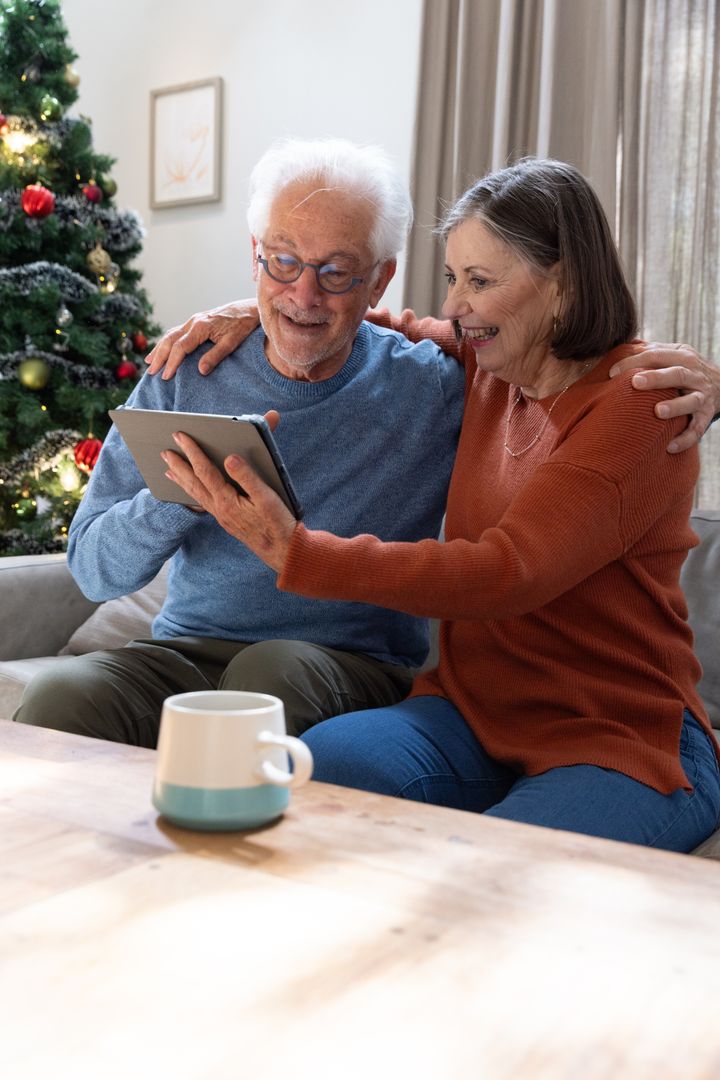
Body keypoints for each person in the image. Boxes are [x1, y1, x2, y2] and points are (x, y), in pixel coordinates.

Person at [160, 158, 720, 852]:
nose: (455, 305)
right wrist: (257, 309)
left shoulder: (640, 402)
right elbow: (357, 313)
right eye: (454, 277)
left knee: (486, 873)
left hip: (616, 733)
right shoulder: (486, 362)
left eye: (480, 282)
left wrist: (296, 551)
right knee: (306, 775)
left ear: (563, 288)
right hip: (470, 715)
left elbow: (508, 572)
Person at [13, 138, 467, 744]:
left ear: (379, 280)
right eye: (284, 261)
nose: (305, 297)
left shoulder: (430, 386)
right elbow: (93, 571)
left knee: (268, 677)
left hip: (347, 664)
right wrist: (183, 492)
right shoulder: (185, 370)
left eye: (336, 272)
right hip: (185, 655)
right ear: (256, 256)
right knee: (60, 696)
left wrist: (632, 365)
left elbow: (535, 351)